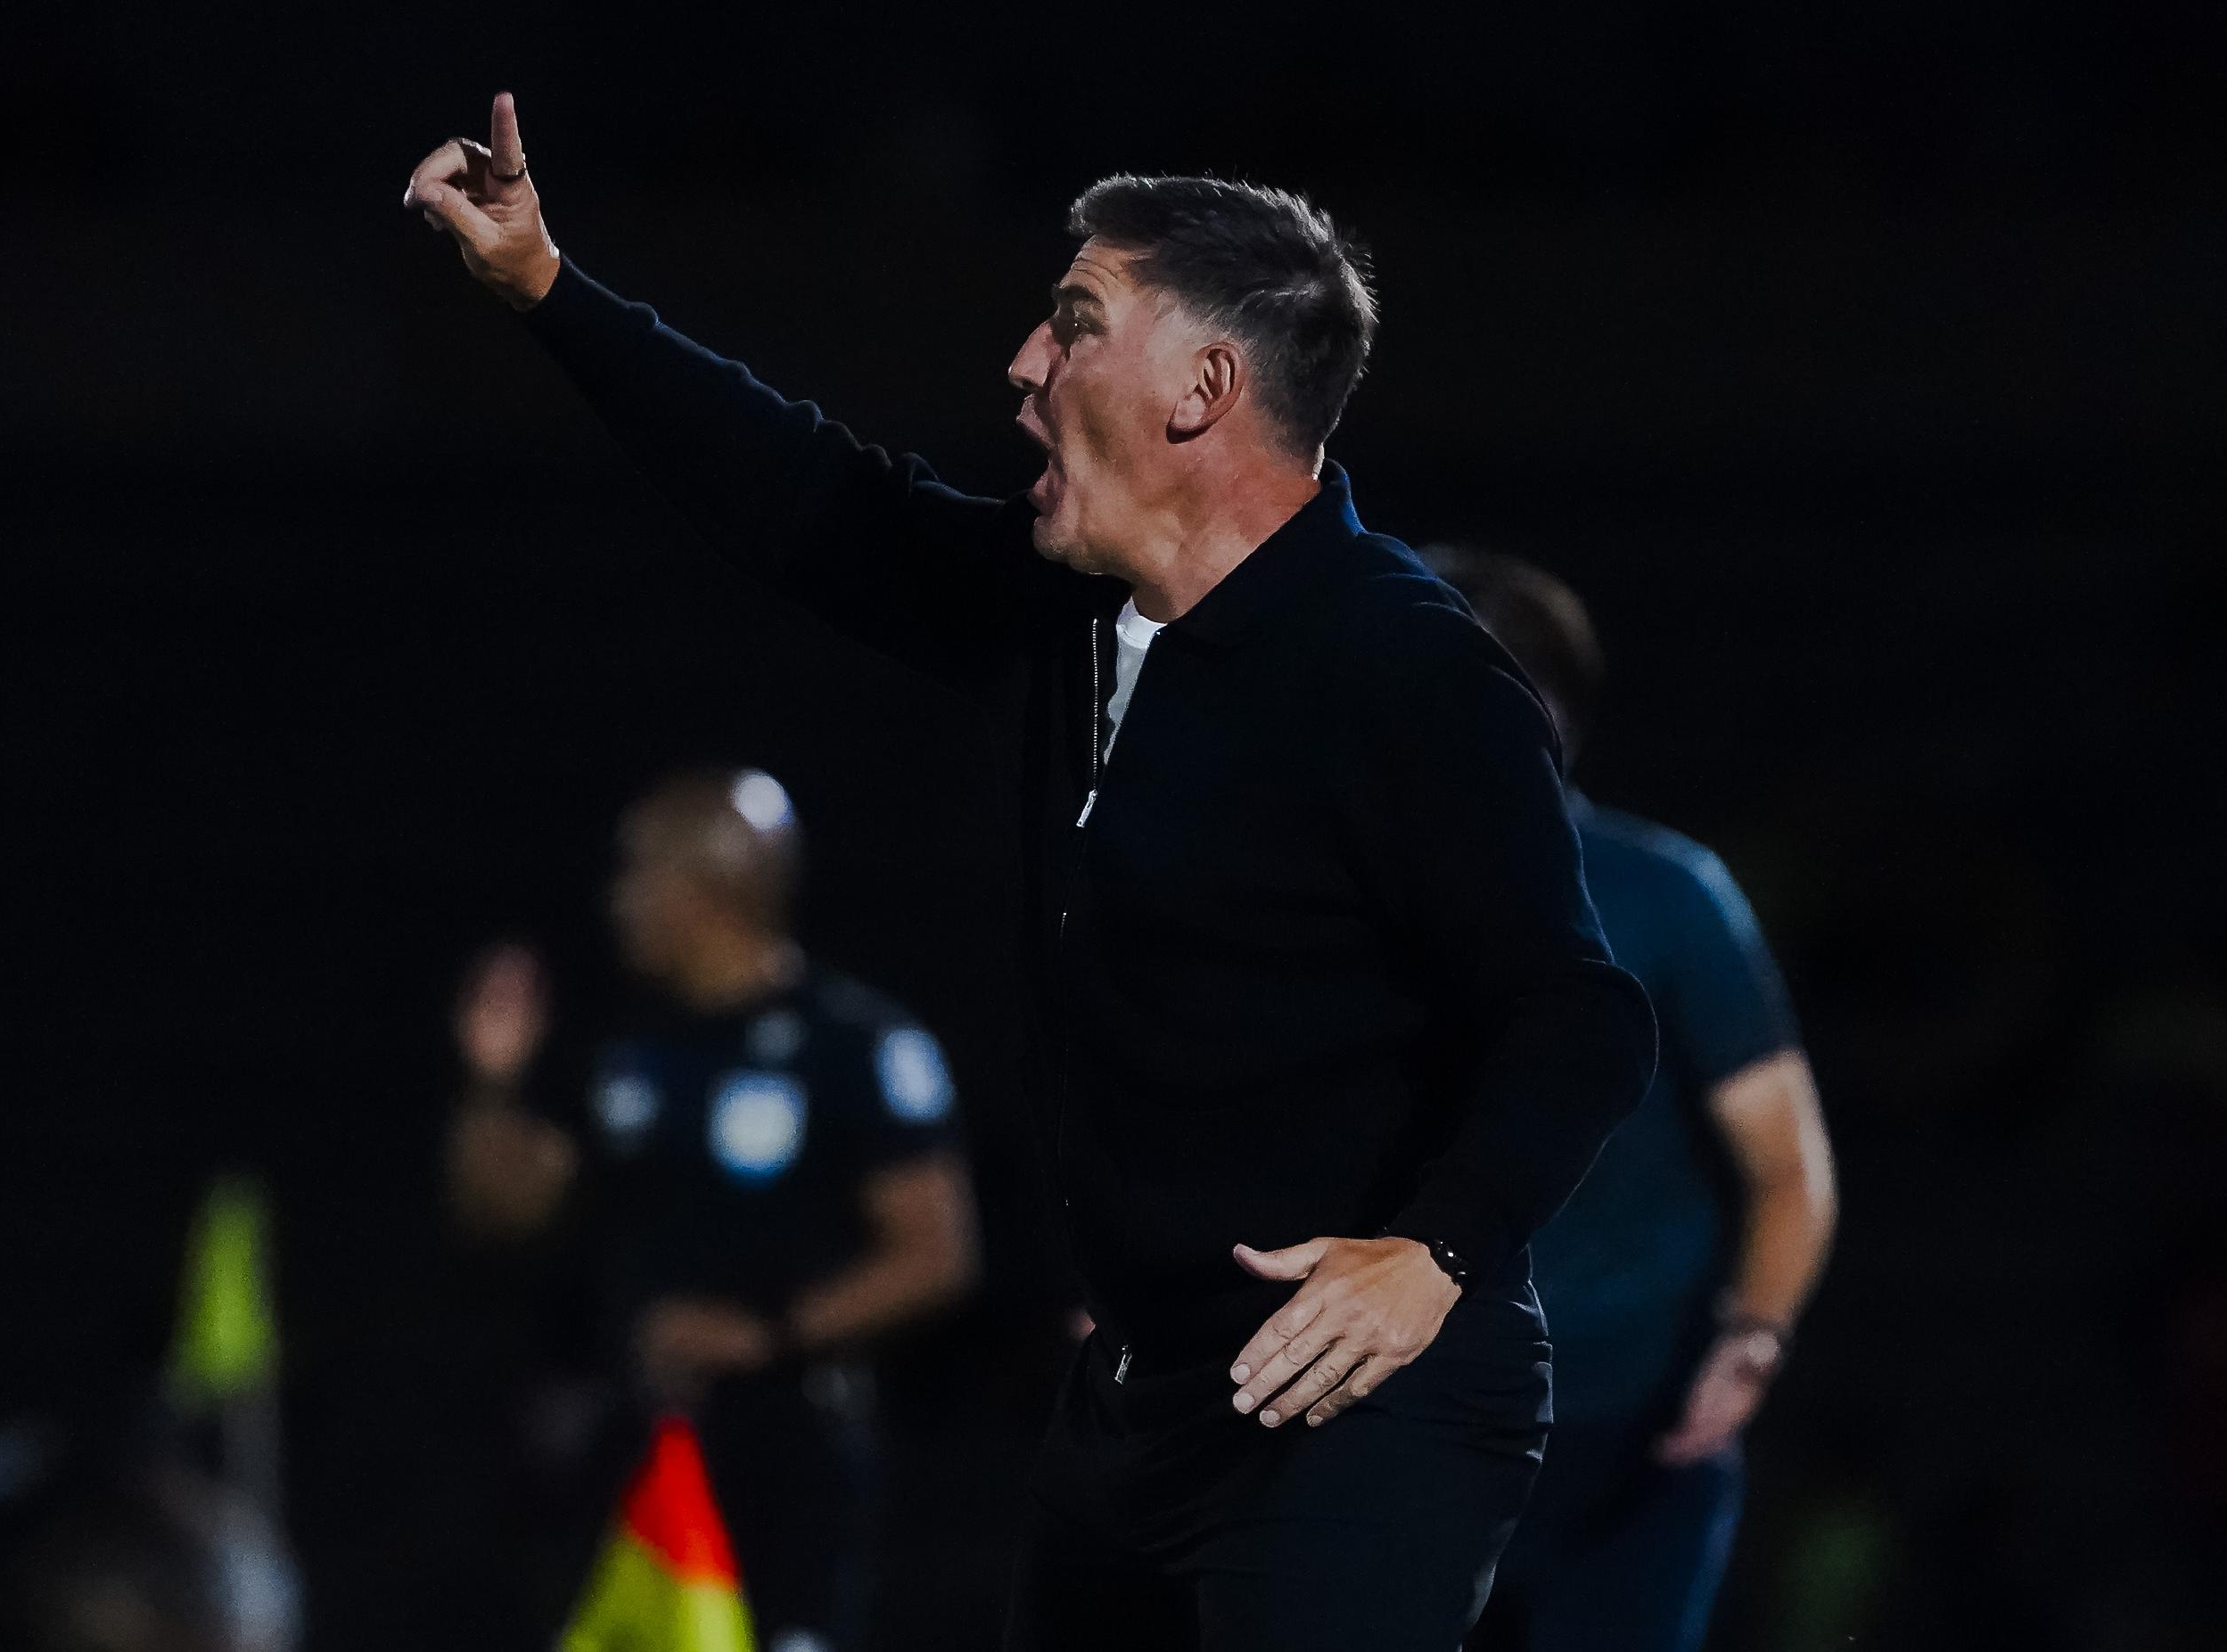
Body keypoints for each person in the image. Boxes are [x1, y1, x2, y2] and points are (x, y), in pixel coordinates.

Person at [403, 95, 1656, 1651]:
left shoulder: (1403, 667)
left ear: (1206, 384)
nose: (1020, 363)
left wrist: (1436, 1251)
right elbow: (819, 506)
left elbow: (1579, 1015)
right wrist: (546, 287)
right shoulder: (1074, 612)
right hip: (1134, 1400)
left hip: (1357, 1402)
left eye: (1073, 325)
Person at [447, 767, 981, 1652]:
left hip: (788, 1450)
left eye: (637, 871)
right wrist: (489, 1083)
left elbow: (937, 1255)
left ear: (710, 883)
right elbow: (503, 1215)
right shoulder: (627, 1049)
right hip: (641, 1444)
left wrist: (762, 1332)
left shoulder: (855, 1045)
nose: (617, 899)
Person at [1423, 547, 1838, 1652]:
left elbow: (1786, 1164)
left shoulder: (1668, 896)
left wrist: (1750, 1334)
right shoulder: (1322, 902)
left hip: (1632, 1448)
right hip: (1405, 1433)